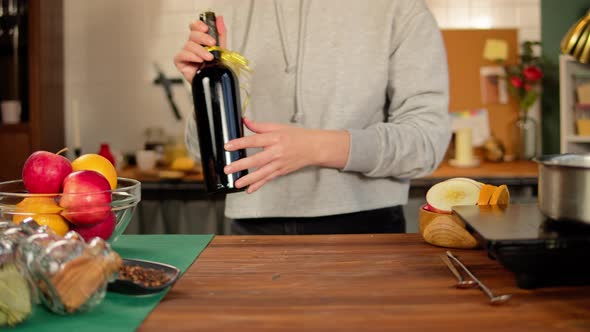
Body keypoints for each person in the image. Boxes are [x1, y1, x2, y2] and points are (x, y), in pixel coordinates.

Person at [174, 0, 451, 235]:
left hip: (366, 225)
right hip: (250, 226)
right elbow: (202, 154)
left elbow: (426, 144)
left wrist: (314, 147)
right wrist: (206, 94)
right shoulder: (228, 10)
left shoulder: (400, 8)